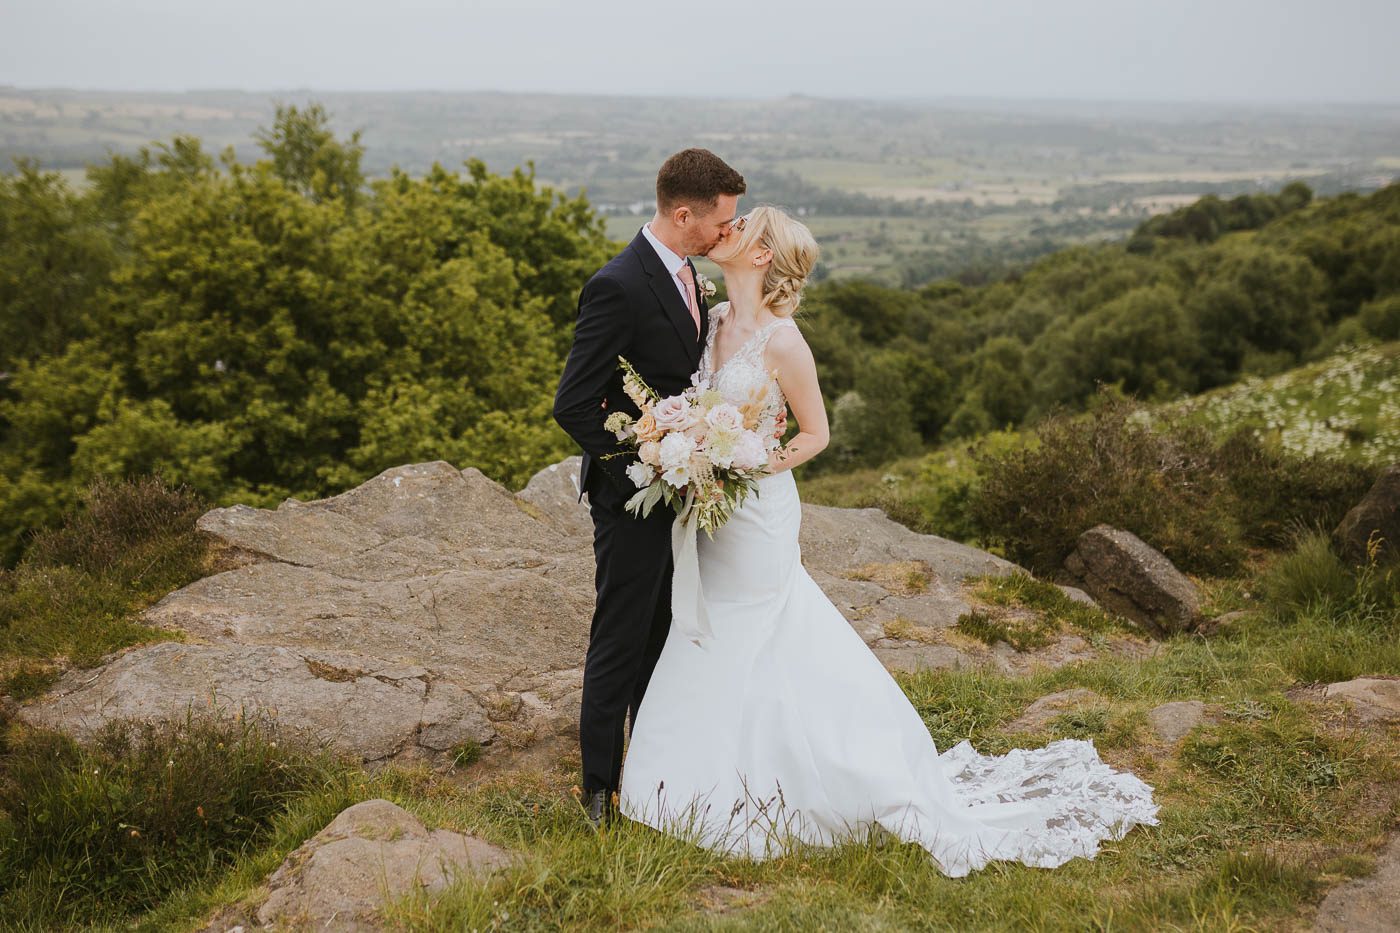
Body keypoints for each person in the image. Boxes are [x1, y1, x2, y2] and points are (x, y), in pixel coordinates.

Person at [616, 206, 1160, 877]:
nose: (725, 231)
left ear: (761, 257)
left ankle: (784, 783)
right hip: (714, 507)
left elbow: (815, 434)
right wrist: (688, 445)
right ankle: (692, 783)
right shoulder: (718, 320)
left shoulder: (784, 342)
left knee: (749, 630)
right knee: (706, 628)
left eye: (742, 228)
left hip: (757, 510)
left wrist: (747, 459)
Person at [553, 148, 746, 829]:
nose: (729, 233)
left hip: (682, 489)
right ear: (683, 213)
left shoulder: (690, 273)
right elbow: (574, 403)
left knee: (664, 637)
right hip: (633, 497)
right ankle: (599, 793)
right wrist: (646, 465)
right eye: (720, 222)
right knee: (620, 640)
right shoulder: (618, 284)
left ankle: (651, 773)